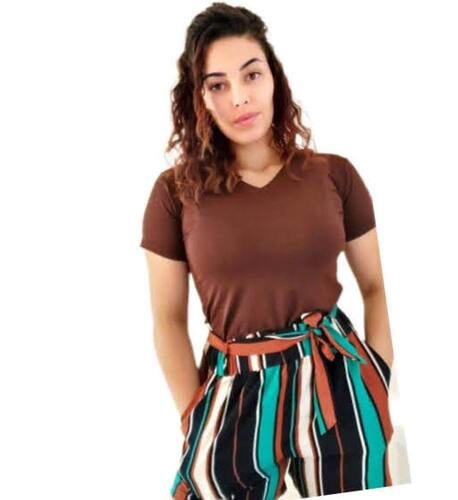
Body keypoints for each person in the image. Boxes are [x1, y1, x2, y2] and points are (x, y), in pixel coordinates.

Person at [140, 2, 395, 498]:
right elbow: (167, 319)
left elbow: (374, 286)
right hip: (235, 385)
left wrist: (377, 377)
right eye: (217, 85)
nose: (240, 97)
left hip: (338, 379)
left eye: (251, 74)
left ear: (274, 77)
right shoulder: (175, 193)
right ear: (200, 98)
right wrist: (194, 412)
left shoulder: (335, 175)